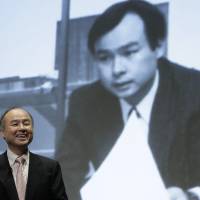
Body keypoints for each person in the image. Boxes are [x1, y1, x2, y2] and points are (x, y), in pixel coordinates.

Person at [56, 1, 200, 200]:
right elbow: (63, 178)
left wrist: (189, 196)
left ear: (158, 46)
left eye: (129, 52)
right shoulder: (85, 102)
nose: (117, 70)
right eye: (105, 57)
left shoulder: (194, 91)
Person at [0, 107, 68, 200]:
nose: (22, 128)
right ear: (2, 132)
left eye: (26, 124)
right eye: (15, 124)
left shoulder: (50, 167)